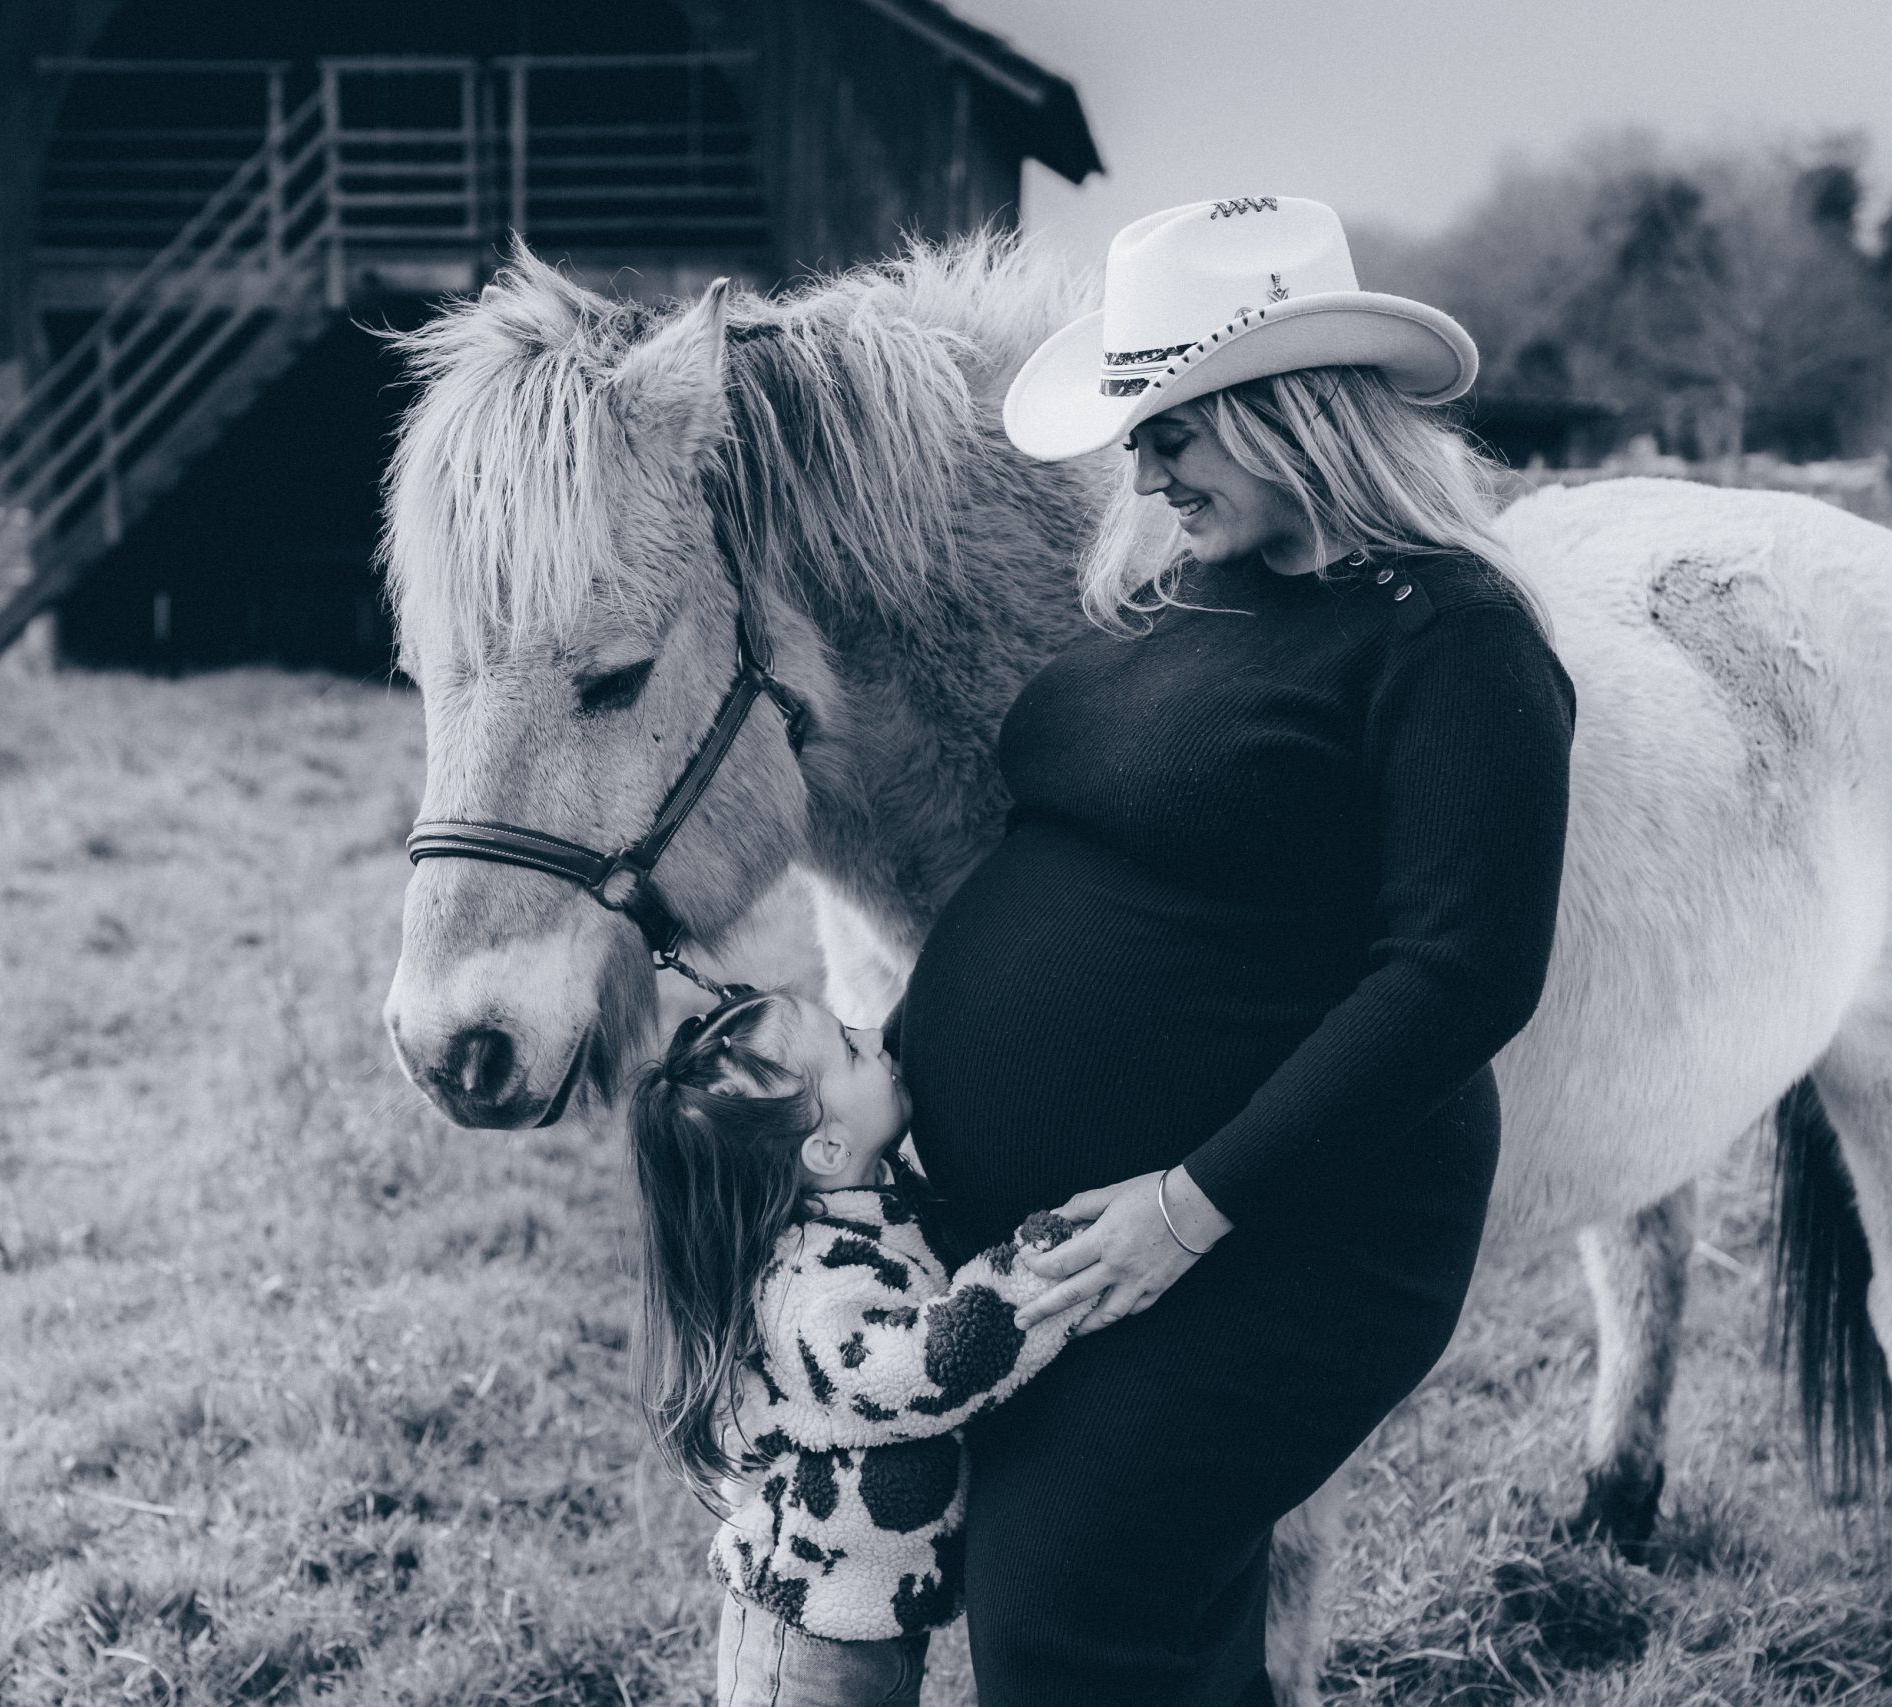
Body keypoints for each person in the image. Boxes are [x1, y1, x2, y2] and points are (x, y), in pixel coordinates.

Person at [895, 196, 1579, 1703]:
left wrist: (1189, 1207)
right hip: (1077, 1245)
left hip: (1288, 1237)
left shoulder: (1450, 638)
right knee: (1140, 1627)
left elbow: (1460, 970)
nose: (1136, 464)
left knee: (1070, 1612)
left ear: (1293, 415)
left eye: (1172, 428)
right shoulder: (1176, 596)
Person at [628, 986, 1086, 1707]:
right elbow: (919, 1370)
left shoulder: (868, 1207)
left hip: (864, 1620)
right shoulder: (811, 1281)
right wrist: (1040, 1269)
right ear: (828, 1146)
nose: (879, 1036)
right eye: (849, 1044)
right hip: (806, 1640)